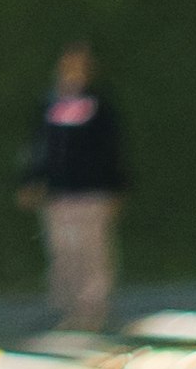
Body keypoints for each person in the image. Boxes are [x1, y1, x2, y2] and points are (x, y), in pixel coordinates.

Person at [21, 38, 128, 334]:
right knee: (62, 251)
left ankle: (93, 311)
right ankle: (68, 310)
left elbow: (112, 149)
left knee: (93, 251)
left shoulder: (100, 105)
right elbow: (39, 147)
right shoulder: (49, 103)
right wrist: (31, 181)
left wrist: (116, 187)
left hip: (93, 192)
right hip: (58, 193)